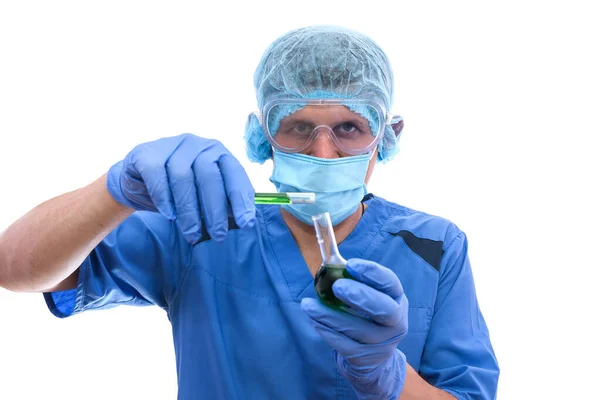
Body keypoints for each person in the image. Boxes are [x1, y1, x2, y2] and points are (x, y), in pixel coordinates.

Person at [0, 25, 499, 399]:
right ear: (263, 136)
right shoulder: (204, 228)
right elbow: (15, 267)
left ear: (385, 137)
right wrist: (114, 192)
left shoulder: (434, 246)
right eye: (299, 128)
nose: (323, 154)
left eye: (348, 128)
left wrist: (387, 372)